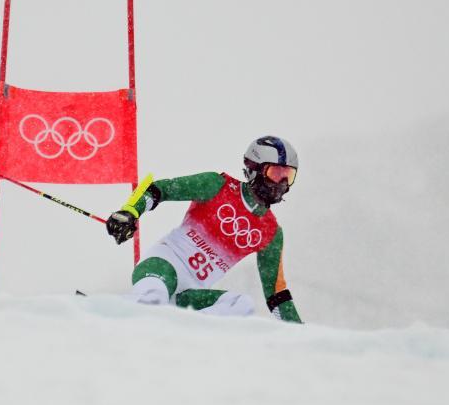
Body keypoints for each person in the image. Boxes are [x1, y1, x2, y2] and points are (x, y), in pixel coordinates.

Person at [106, 136, 302, 323]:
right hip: (164, 265)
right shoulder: (217, 185)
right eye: (276, 174)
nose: (282, 185)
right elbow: (159, 189)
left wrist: (302, 334)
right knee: (153, 297)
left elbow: (277, 295)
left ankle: (177, 327)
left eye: (288, 176)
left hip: (191, 293)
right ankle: (102, 311)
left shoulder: (271, 232)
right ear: (254, 169)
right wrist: (130, 212)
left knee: (243, 305)